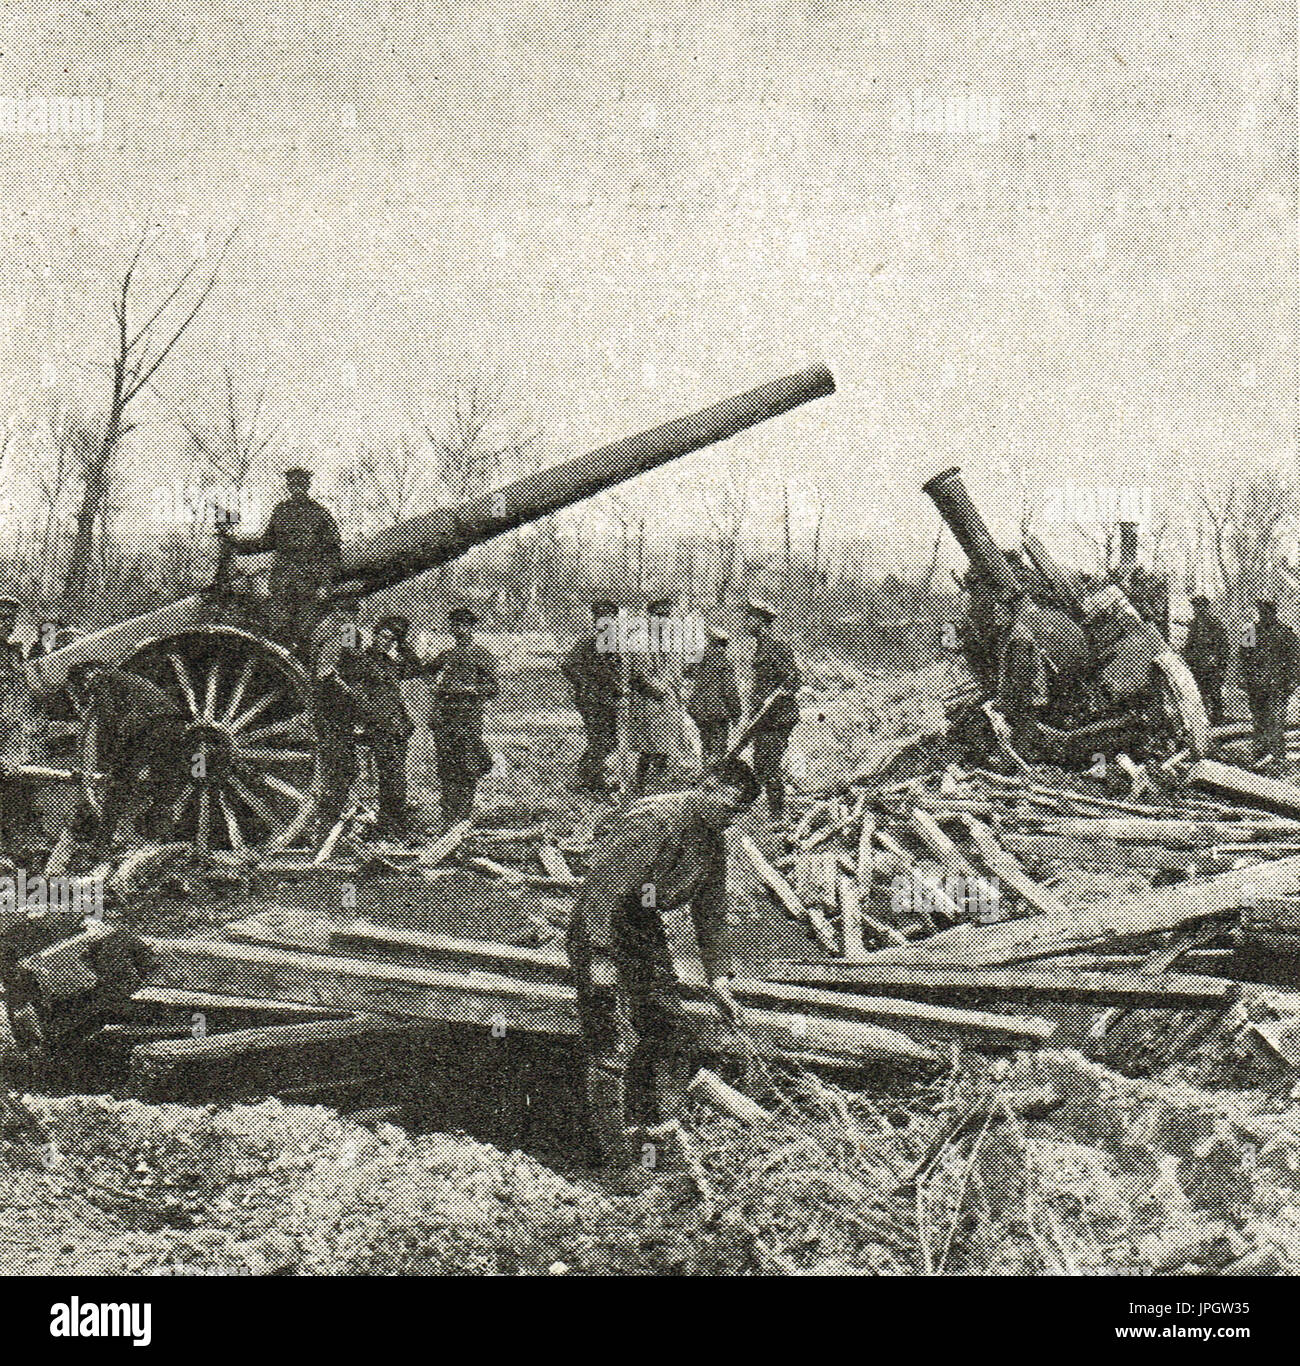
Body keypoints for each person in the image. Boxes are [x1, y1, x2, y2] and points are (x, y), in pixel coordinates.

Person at [565, 758, 760, 1191]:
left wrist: (720, 980)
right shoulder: (655, 819)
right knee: (611, 1042)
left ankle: (654, 1139)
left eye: (737, 815)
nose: (730, 821)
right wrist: (600, 958)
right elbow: (602, 888)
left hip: (641, 924)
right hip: (603, 925)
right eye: (727, 809)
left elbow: (710, 915)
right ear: (705, 789)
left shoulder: (712, 844)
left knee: (668, 1027)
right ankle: (611, 1159)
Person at [313, 606, 427, 842]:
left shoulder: (391, 664)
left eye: (391, 639)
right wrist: (347, 622)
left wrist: (403, 642)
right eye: (383, 636)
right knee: (388, 778)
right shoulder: (361, 660)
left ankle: (392, 827)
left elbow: (416, 668)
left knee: (394, 780)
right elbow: (345, 655)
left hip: (396, 727)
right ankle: (388, 828)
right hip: (376, 726)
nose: (386, 642)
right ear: (374, 635)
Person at [65, 661, 192, 857]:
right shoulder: (128, 679)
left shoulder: (100, 680)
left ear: (87, 676)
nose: (85, 690)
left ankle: (102, 844)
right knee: (163, 788)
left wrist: (113, 760)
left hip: (146, 726)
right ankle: (166, 843)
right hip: (173, 724)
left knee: (119, 786)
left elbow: (109, 721)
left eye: (81, 685)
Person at [219, 467, 342, 650]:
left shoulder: (320, 513)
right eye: (293, 485)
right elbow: (267, 542)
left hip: (309, 580)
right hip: (283, 579)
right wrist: (238, 544)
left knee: (304, 632)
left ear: (307, 486)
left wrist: (325, 583)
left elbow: (332, 551)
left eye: (301, 484)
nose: (297, 489)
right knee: (278, 628)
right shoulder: (281, 511)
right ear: (289, 487)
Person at [427, 607, 498, 824]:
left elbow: (493, 688)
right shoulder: (446, 655)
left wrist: (471, 690)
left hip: (468, 718)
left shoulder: (482, 655)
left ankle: (463, 816)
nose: (459, 630)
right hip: (444, 718)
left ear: (471, 628)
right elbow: (425, 672)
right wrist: (433, 685)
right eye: (455, 625)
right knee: (446, 766)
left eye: (464, 625)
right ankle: (448, 816)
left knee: (468, 765)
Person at [626, 594, 694, 796]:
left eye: (667, 616)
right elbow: (638, 674)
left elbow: (677, 669)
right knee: (649, 745)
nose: (663, 620)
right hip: (648, 699)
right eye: (658, 616)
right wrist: (658, 690)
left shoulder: (672, 641)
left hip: (668, 700)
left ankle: (659, 782)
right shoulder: (640, 640)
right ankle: (640, 785)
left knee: (667, 743)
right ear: (650, 617)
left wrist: (678, 689)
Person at [743, 599, 802, 821]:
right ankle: (768, 812)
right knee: (761, 765)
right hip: (763, 719)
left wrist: (775, 697)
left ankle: (778, 817)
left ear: (761, 621)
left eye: (750, 618)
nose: (746, 622)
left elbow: (794, 680)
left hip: (777, 718)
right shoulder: (760, 647)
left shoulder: (777, 646)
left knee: (768, 765)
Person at [560, 599, 626, 798]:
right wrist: (587, 683)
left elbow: (619, 671)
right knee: (600, 739)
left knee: (609, 740)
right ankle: (588, 778)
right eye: (601, 619)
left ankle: (590, 775)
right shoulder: (588, 644)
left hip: (608, 700)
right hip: (591, 700)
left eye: (610, 620)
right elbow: (568, 666)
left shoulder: (615, 645)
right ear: (596, 621)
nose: (606, 624)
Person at [1239, 598, 1300, 772]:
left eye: (1267, 611)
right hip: (1256, 686)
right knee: (1259, 720)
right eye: (1261, 611)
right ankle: (1260, 754)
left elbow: (1296, 661)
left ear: (1273, 612)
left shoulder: (1285, 633)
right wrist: (1244, 679)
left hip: (1277, 686)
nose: (1264, 615)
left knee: (1276, 721)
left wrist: (1292, 684)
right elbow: (1242, 657)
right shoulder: (1250, 631)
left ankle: (1277, 756)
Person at [996, 590, 1049, 749]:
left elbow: (1022, 672)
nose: (995, 616)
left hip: (1025, 697)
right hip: (1024, 697)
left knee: (1023, 737)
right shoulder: (1012, 633)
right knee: (1023, 733)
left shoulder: (1018, 636)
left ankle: (1028, 767)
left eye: (1000, 612)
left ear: (1009, 614)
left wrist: (1011, 699)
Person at [685, 626, 742, 764]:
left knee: (706, 743)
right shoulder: (724, 663)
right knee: (718, 748)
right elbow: (730, 690)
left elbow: (686, 672)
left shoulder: (698, 658)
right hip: (718, 711)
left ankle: (706, 774)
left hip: (698, 710)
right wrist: (736, 713)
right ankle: (715, 777)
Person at [1183, 595, 1230, 725]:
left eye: (1201, 607)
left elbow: (1223, 644)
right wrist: (1188, 659)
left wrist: (1221, 663)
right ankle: (1204, 718)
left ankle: (1217, 717)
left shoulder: (1214, 623)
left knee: (1214, 691)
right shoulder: (1194, 624)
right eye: (1196, 607)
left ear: (1206, 607)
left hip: (1212, 663)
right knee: (1200, 691)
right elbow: (1189, 644)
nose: (1198, 610)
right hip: (1197, 664)